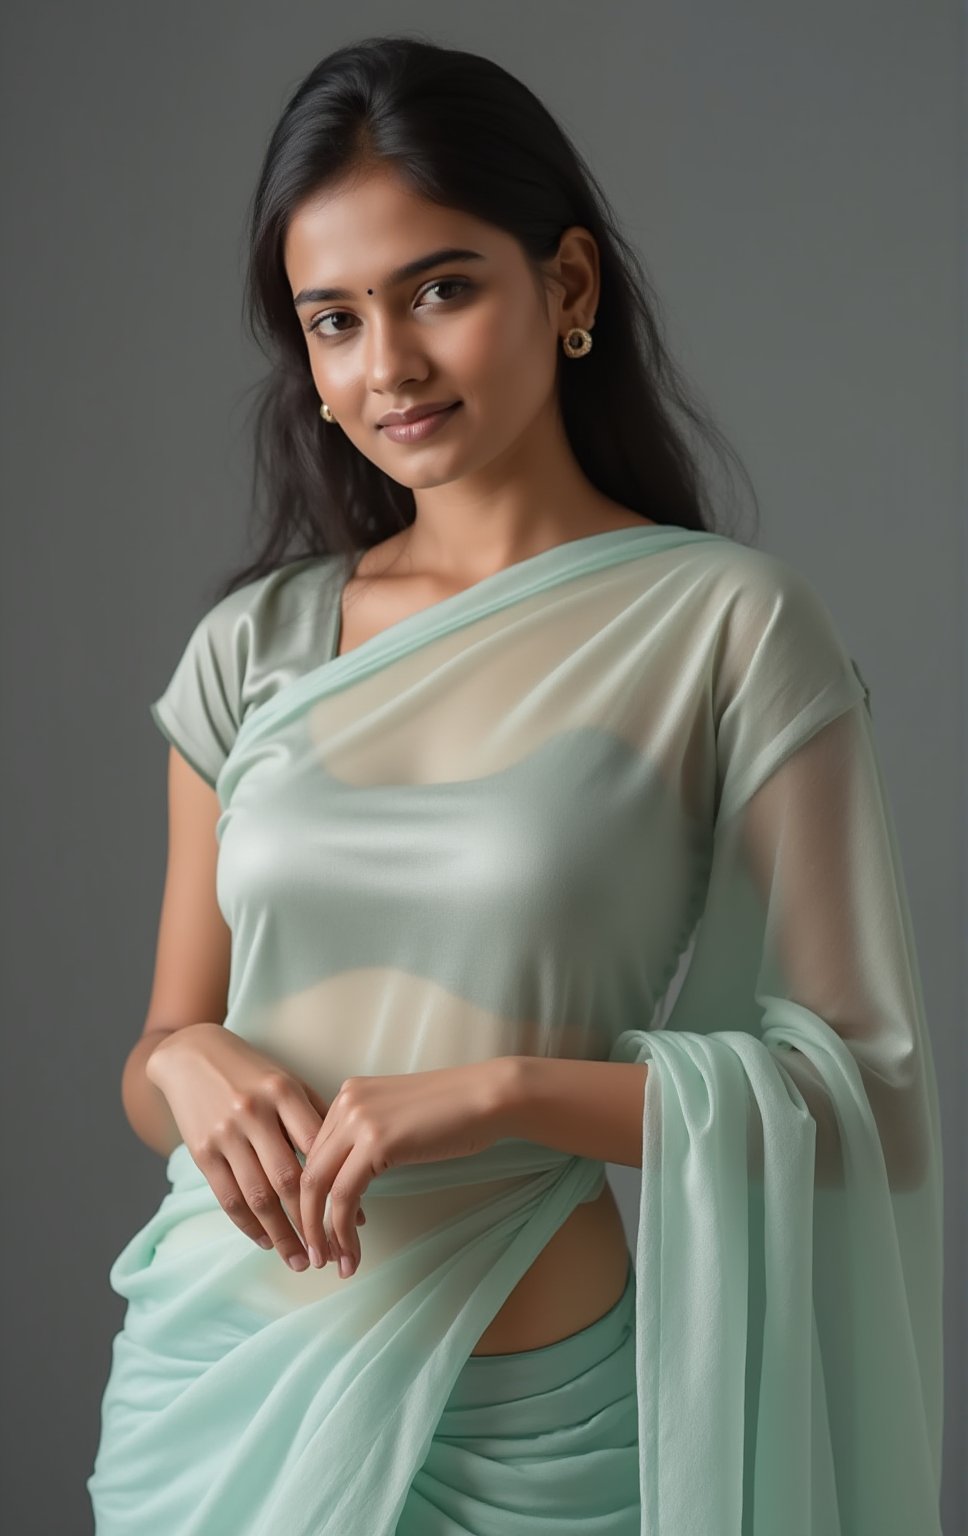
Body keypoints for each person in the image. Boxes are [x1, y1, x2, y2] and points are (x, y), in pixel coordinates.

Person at [87, 34, 944, 1536]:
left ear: (568, 287)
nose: (388, 366)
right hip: (222, 1397)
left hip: (547, 1433)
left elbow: (865, 1103)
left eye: (441, 288)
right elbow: (166, 1041)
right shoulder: (249, 649)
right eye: (333, 320)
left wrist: (505, 1098)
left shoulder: (726, 628)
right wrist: (182, 1067)